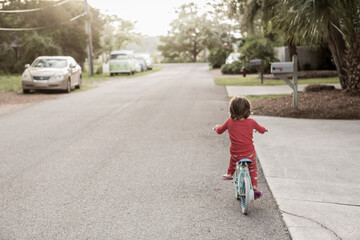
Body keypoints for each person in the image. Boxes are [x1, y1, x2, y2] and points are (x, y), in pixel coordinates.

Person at [213, 96, 267, 199]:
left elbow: (219, 130)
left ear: (232, 110)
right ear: (247, 110)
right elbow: (261, 130)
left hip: (236, 153)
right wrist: (265, 130)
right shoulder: (252, 122)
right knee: (253, 168)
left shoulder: (229, 122)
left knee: (233, 160)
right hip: (249, 154)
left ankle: (229, 174)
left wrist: (216, 127)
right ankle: (254, 186)